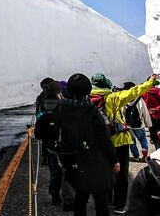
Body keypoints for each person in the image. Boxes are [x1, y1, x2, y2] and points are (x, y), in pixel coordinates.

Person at [90, 73, 158, 214]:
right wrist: (150, 82)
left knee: (104, 173)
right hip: (119, 140)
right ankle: (120, 205)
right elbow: (134, 92)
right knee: (121, 176)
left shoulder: (86, 98)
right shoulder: (113, 97)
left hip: (99, 143)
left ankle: (106, 201)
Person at [56, 73, 119, 216]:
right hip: (96, 161)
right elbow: (104, 138)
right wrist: (114, 159)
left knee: (80, 196)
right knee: (101, 199)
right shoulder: (91, 110)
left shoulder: (61, 108)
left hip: (74, 160)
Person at [34, 80, 74, 210]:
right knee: (67, 172)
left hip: (50, 146)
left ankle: (55, 196)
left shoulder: (42, 106)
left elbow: (38, 132)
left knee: (54, 172)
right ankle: (68, 201)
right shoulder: (64, 106)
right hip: (65, 145)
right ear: (58, 92)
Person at [123, 82, 153, 162]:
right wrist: (148, 123)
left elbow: (122, 113)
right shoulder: (139, 99)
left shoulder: (124, 99)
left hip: (128, 125)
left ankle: (135, 155)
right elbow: (145, 112)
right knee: (142, 138)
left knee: (132, 141)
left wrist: (123, 124)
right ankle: (144, 154)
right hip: (139, 124)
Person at [142, 81, 160, 152]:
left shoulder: (144, 93)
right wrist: (157, 109)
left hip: (150, 116)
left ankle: (159, 149)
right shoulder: (159, 92)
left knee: (153, 133)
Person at [36, 77, 56, 165]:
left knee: (45, 140)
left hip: (44, 121)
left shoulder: (41, 96)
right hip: (56, 120)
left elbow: (38, 110)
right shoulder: (58, 95)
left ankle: (45, 158)